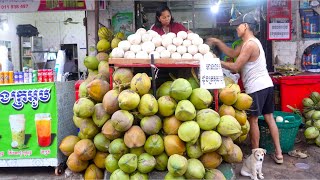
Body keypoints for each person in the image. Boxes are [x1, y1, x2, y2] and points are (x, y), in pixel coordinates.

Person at [206, 13, 283, 164]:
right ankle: (279, 154)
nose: (236, 29)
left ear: (246, 26)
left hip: (256, 87)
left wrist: (216, 61)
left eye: (238, 26)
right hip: (266, 85)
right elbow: (233, 53)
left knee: (253, 120)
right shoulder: (250, 42)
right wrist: (217, 42)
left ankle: (255, 157)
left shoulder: (249, 45)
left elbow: (235, 66)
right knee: (269, 118)